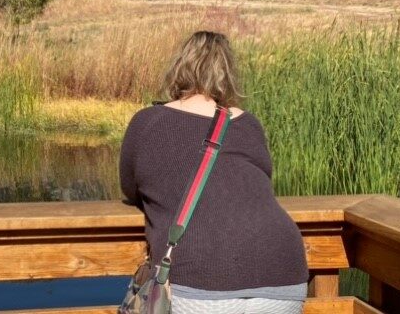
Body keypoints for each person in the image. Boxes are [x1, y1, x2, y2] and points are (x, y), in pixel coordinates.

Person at [119, 31, 308, 314]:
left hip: (201, 276)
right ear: (229, 75)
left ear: (178, 68)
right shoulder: (247, 124)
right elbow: (258, 184)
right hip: (282, 270)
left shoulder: (147, 122)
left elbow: (130, 188)